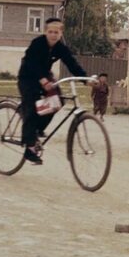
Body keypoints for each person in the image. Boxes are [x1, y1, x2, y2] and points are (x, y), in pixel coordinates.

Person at [17, 17, 87, 165]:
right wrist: (42, 80)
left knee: (57, 102)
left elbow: (72, 64)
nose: (53, 35)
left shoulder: (60, 48)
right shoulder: (37, 43)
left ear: (61, 33)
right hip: (28, 77)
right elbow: (30, 63)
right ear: (45, 32)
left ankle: (36, 130)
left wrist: (86, 79)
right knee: (31, 107)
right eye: (50, 32)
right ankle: (29, 148)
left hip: (46, 78)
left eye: (56, 32)